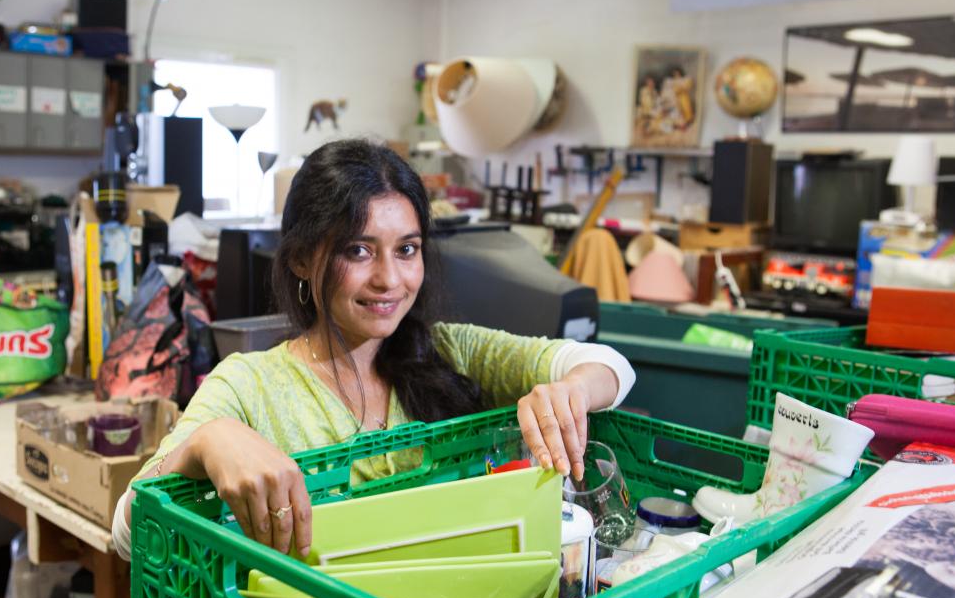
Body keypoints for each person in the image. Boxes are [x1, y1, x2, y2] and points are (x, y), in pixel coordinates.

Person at [111, 138, 635, 561]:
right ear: (300, 259)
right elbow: (127, 535)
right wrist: (206, 442)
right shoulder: (251, 385)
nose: (389, 279)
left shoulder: (449, 350)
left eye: (407, 250)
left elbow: (611, 367)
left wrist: (570, 390)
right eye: (358, 250)